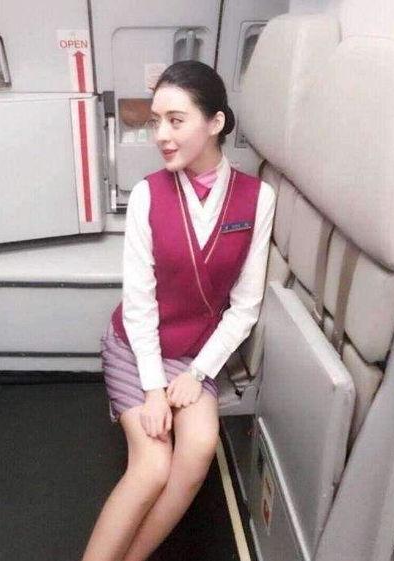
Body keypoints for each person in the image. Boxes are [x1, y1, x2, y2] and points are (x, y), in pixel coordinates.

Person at [81, 60, 276, 561]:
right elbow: (139, 304)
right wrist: (153, 390)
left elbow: (245, 307)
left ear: (215, 122)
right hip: (136, 346)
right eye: (156, 122)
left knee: (199, 448)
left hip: (194, 355)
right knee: (151, 468)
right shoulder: (148, 194)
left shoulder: (258, 199)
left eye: (176, 120)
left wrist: (198, 373)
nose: (161, 136)